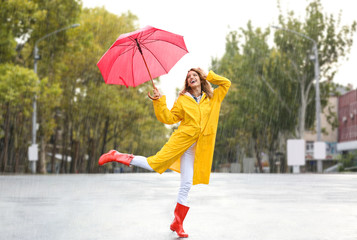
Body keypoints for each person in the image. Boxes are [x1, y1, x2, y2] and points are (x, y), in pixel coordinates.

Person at [98, 68, 231, 238]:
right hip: (181, 141)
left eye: (194, 75)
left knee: (186, 184)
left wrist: (209, 75)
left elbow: (226, 83)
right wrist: (159, 100)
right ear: (187, 83)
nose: (191, 78)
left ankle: (178, 223)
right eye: (189, 76)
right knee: (154, 164)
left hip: (196, 148)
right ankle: (117, 155)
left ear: (200, 78)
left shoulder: (212, 98)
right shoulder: (183, 100)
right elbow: (168, 118)